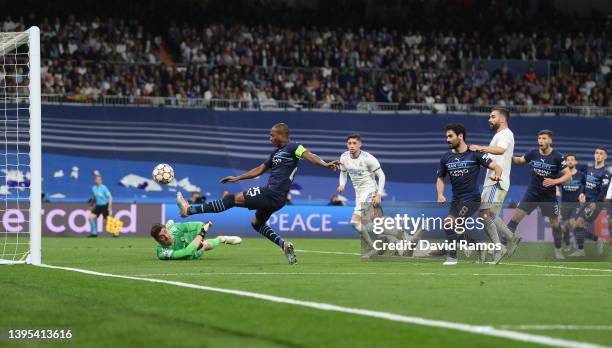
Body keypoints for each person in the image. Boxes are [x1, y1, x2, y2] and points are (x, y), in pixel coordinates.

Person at [176, 123, 339, 265]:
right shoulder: (275, 154)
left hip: (271, 193)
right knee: (257, 224)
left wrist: (325, 164)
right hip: (278, 199)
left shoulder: (293, 147)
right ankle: (284, 245)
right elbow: (259, 170)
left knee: (231, 199)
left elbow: (309, 156)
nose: (270, 138)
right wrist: (238, 178)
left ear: (281, 135)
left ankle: (189, 210)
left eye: (272, 135)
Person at [415, 123, 502, 265]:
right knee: (455, 230)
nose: (447, 140)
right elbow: (440, 178)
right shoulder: (445, 158)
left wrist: (497, 176)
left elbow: (496, 167)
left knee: (449, 224)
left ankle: (452, 257)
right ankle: (479, 247)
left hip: (472, 199)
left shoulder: (474, 153)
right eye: (446, 137)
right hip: (456, 200)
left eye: (450, 136)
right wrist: (440, 194)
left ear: (460, 136)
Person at [506, 130, 572, 259]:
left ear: (550, 140)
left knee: (555, 224)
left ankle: (558, 250)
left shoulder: (557, 156)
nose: (541, 140)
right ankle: (502, 246)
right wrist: (506, 156)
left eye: (544, 138)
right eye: (539, 138)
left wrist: (555, 181)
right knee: (515, 219)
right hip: (532, 194)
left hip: (549, 197)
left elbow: (568, 175)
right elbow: (519, 161)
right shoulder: (533, 153)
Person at [469, 106, 520, 263]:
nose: (489, 119)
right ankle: (512, 238)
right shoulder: (500, 135)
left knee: (485, 214)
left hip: (496, 181)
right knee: (488, 215)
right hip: (494, 181)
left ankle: (500, 248)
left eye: (492, 117)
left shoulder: (505, 134)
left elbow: (500, 150)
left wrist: (480, 148)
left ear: (502, 119)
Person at [337, 133, 386, 251]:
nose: (352, 146)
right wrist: (342, 184)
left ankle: (372, 246)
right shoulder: (344, 157)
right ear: (346, 145)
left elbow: (381, 175)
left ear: (360, 144)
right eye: (349, 143)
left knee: (354, 222)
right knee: (372, 223)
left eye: (354, 143)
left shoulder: (368, 158)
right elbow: (343, 173)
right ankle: (384, 240)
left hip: (370, 190)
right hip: (358, 193)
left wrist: (379, 194)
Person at [569, 147, 610, 257]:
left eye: (601, 154)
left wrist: (595, 203)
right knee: (574, 225)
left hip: (595, 203)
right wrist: (582, 193)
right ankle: (597, 239)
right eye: (596, 153)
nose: (598, 155)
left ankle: (581, 250)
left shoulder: (605, 173)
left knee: (578, 223)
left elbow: (603, 190)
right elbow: (585, 185)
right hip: (586, 202)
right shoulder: (590, 169)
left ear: (605, 157)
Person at [150, 220, 241, 260]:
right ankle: (221, 239)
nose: (166, 236)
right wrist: (201, 249)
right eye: (161, 236)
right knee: (202, 247)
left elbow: (200, 224)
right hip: (187, 248)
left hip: (190, 238)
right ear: (157, 240)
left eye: (165, 232)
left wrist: (200, 237)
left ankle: (222, 238)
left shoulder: (176, 228)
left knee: (201, 244)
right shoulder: (163, 252)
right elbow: (188, 253)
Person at [557, 154, 586, 251]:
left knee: (574, 223)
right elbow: (556, 184)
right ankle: (568, 243)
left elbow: (587, 187)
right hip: (565, 204)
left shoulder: (581, 175)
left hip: (576, 204)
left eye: (572, 160)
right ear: (565, 162)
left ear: (575, 162)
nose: (570, 161)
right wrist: (556, 190)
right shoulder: (562, 174)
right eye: (568, 160)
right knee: (565, 226)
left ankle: (578, 245)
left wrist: (583, 194)